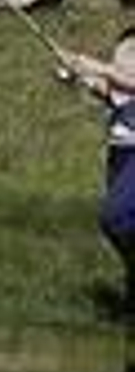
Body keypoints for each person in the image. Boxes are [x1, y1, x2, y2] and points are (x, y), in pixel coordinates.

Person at [63, 28, 135, 302]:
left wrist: (96, 66)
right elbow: (119, 93)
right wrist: (83, 77)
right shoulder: (126, 40)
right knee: (123, 222)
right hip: (120, 149)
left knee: (115, 218)